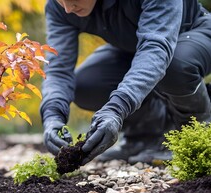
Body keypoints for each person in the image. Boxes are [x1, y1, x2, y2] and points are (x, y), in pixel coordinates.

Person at [41, 0, 211, 165]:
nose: (67, 8)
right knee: (86, 85)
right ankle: (144, 138)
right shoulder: (59, 8)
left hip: (193, 33)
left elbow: (156, 49)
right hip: (134, 49)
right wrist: (52, 116)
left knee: (174, 67)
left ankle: (195, 136)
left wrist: (116, 109)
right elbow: (58, 68)